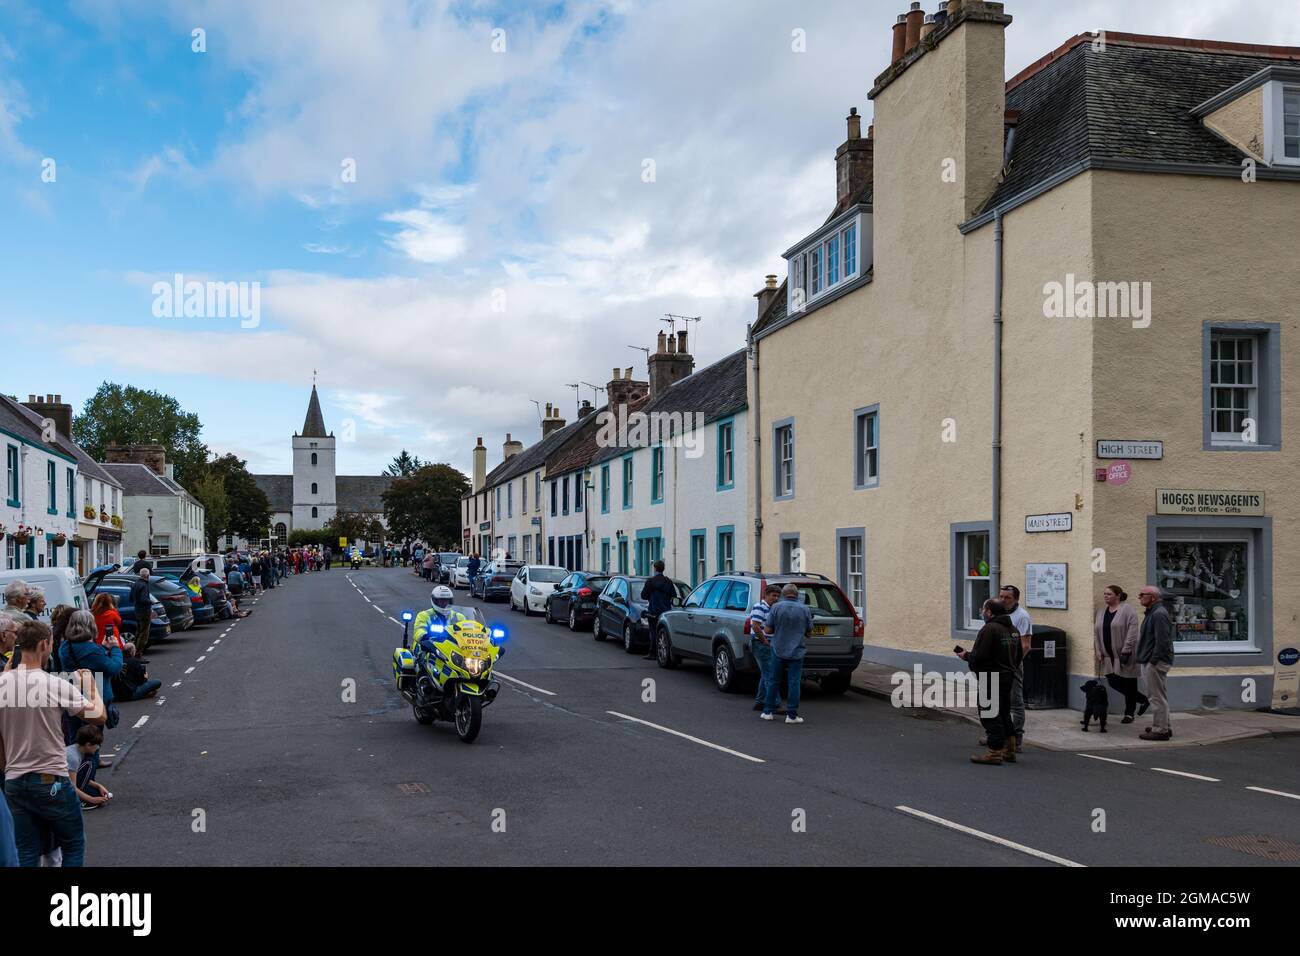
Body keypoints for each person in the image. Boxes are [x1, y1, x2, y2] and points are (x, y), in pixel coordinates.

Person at [0, 619, 107, 866]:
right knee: (72, 844)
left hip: (14, 780)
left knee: (26, 850)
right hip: (50, 776)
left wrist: (6, 767)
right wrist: (91, 689)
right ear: (43, 644)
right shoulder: (53, 683)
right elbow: (98, 716)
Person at [959, 599, 1023, 765]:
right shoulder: (1013, 630)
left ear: (989, 612)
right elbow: (1018, 656)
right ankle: (1009, 749)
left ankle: (994, 752)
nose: (981, 612)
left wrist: (967, 656)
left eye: (983, 609)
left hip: (991, 676)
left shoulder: (989, 629)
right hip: (1008, 676)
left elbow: (980, 655)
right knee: (1003, 712)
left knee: (989, 713)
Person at [58, 610, 123, 740]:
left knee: (74, 733)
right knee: (93, 735)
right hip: (93, 694)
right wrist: (115, 648)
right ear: (90, 626)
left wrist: (103, 648)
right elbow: (113, 668)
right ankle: (92, 759)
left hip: (72, 694)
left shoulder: (65, 646)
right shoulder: (92, 650)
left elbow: (90, 660)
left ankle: (79, 759)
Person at [1094, 585, 1148, 724]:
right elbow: (1097, 632)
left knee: (1129, 683)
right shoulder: (1101, 611)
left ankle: (1129, 713)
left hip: (1125, 654)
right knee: (1113, 681)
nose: (1106, 596)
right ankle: (1143, 700)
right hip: (1108, 655)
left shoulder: (1127, 610)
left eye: (1109, 594)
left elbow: (1133, 631)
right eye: (1105, 594)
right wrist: (1098, 650)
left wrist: (1126, 649)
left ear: (1118, 596)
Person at [761, 584, 813, 724]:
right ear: (797, 595)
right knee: (794, 682)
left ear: (784, 594)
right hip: (797, 650)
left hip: (777, 648)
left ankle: (768, 711)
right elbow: (809, 633)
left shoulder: (776, 607)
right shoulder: (805, 609)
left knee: (773, 681)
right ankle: (791, 715)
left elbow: (767, 630)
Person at [1137, 585, 1175, 741]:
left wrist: (1153, 660)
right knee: (1159, 695)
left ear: (1153, 597)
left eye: (1142, 594)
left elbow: (1163, 641)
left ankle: (1160, 730)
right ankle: (1163, 726)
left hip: (1155, 661)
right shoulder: (1154, 612)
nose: (1139, 597)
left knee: (1156, 697)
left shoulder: (1158, 614)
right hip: (1151, 659)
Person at [999, 585, 1032, 752]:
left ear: (1016, 599)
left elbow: (1026, 645)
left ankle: (1017, 738)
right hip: (997, 663)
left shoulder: (1022, 616)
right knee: (995, 699)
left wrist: (1013, 663)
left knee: (1015, 701)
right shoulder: (998, 613)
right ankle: (997, 735)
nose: (1003, 600)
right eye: (1001, 597)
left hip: (1013, 664)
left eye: (1007, 598)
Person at [749, 584, 783, 713]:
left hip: (768, 643)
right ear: (766, 595)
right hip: (761, 643)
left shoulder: (772, 608)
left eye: (777, 596)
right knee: (770, 674)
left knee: (766, 673)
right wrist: (764, 641)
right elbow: (756, 626)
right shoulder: (760, 607)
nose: (775, 598)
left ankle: (760, 701)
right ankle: (775, 703)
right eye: (773, 595)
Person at [639, 560, 676, 661]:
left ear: (655, 568)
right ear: (663, 569)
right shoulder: (668, 582)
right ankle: (663, 653)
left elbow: (643, 595)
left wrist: (652, 596)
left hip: (653, 611)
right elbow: (674, 596)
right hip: (665, 612)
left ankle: (653, 653)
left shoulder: (650, 582)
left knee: (653, 632)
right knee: (664, 634)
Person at [67, 725, 110, 811]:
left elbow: (76, 777)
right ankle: (79, 801)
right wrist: (91, 799)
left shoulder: (78, 750)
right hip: (54, 786)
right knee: (89, 763)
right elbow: (71, 786)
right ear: (88, 745)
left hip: (61, 782)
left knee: (98, 793)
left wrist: (98, 786)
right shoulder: (73, 758)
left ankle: (81, 797)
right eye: (97, 745)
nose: (98, 747)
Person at [128, 566, 152, 645]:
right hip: (145, 612)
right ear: (148, 576)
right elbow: (144, 599)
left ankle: (134, 651)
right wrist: (151, 602)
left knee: (138, 632)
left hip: (137, 610)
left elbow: (131, 599)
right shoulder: (144, 585)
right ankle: (138, 653)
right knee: (144, 634)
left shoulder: (135, 584)